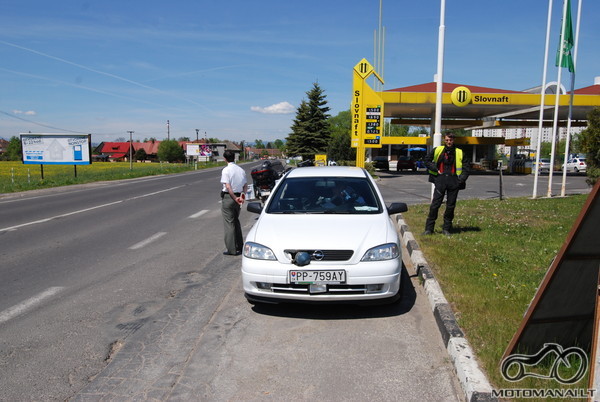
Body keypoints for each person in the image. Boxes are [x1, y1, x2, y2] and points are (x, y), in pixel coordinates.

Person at [423, 132, 469, 236]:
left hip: (454, 181)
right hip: (440, 180)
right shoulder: (438, 150)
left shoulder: (459, 152)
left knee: (450, 206)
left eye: (451, 140)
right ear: (444, 140)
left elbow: (466, 168)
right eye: (447, 140)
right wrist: (435, 169)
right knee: (435, 205)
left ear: (454, 140)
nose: (449, 142)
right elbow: (427, 160)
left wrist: (460, 180)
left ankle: (446, 229)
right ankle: (429, 229)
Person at [220, 150, 248, 255]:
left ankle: (231, 249)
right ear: (234, 158)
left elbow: (228, 186)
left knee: (229, 223)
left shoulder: (226, 170)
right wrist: (242, 197)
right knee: (236, 221)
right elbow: (245, 186)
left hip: (229, 197)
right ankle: (240, 246)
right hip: (239, 197)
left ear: (225, 159)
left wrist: (233, 197)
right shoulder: (241, 170)